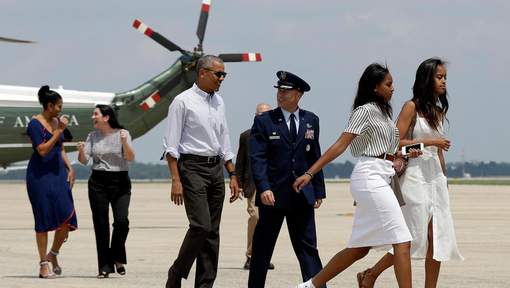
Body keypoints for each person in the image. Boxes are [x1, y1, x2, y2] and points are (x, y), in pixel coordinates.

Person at [293, 63, 413, 288]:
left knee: (359, 248)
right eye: (388, 84)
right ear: (375, 87)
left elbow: (389, 150)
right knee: (403, 241)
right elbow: (341, 144)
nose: (393, 88)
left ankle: (309, 286)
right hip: (369, 176)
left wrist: (406, 152)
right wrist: (310, 173)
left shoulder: (384, 114)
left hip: (383, 176)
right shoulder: (364, 111)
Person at [356, 58, 463, 288]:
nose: (444, 81)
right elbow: (395, 145)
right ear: (427, 78)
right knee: (411, 238)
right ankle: (371, 274)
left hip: (435, 178)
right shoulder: (410, 107)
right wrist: (427, 143)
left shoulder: (437, 111)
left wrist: (444, 180)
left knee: (437, 239)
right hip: (415, 179)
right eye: (439, 77)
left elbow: (439, 153)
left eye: (445, 77)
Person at [163, 55, 240, 288]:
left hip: (215, 167)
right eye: (218, 74)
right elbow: (171, 145)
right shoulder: (182, 101)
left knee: (212, 233)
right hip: (192, 167)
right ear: (203, 73)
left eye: (224, 74)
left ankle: (205, 285)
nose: (222, 78)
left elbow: (223, 138)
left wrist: (232, 174)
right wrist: (175, 179)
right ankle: (176, 273)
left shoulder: (219, 102)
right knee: (200, 226)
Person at [248, 71, 326, 288]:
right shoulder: (265, 121)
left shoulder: (311, 120)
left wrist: (319, 190)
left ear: (298, 94)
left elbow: (314, 156)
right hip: (273, 197)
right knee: (262, 249)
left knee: (308, 249)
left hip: (302, 196)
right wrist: (263, 187)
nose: (280, 95)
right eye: (279, 91)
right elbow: (257, 158)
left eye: (286, 91)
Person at [77, 104, 135, 278]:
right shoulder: (92, 136)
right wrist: (81, 150)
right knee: (101, 225)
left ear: (106, 117)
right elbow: (83, 161)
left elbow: (131, 157)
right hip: (98, 182)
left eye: (95, 114)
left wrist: (124, 142)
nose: (92, 117)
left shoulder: (123, 134)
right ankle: (104, 266)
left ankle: (116, 256)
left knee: (122, 222)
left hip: (120, 181)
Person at [26, 85, 77, 279]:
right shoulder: (34, 124)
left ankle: (53, 254)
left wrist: (70, 168)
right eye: (58, 106)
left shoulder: (57, 121)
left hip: (58, 174)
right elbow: (43, 150)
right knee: (43, 219)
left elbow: (60, 148)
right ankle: (43, 264)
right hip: (39, 176)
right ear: (49, 106)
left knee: (66, 216)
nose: (60, 109)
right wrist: (59, 131)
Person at [234, 103, 275, 271]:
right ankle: (251, 256)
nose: (263, 118)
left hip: (273, 184)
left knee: (269, 222)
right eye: (260, 115)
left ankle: (263, 257)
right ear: (255, 116)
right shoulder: (246, 136)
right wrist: (237, 182)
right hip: (253, 184)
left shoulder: (277, 133)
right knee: (256, 217)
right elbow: (240, 161)